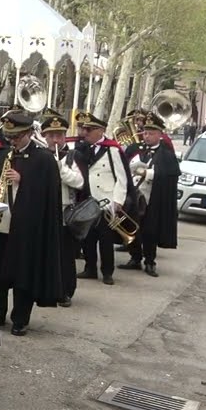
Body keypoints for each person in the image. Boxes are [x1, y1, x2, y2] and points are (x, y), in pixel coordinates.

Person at [0, 110, 64, 336]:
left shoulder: (43, 159)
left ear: (28, 132)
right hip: (2, 222)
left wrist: (23, 182)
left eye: (17, 137)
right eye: (10, 137)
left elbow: (50, 196)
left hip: (28, 226)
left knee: (22, 273)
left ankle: (20, 318)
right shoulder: (2, 154)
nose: (13, 141)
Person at [73, 112, 131, 285]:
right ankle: (90, 268)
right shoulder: (81, 148)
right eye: (85, 129)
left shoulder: (112, 149)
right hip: (87, 200)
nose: (86, 133)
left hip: (106, 201)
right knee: (88, 238)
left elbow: (122, 177)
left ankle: (107, 272)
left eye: (90, 130)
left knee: (105, 239)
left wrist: (118, 200)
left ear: (101, 131)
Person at [119, 114, 180, 278]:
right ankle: (135, 257)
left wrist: (149, 173)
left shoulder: (166, 154)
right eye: (145, 132)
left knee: (150, 231)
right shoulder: (134, 149)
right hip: (132, 196)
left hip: (153, 199)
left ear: (160, 134)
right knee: (131, 227)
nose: (147, 136)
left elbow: (171, 174)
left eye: (151, 133)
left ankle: (150, 261)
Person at [41, 113, 85, 306]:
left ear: (65, 136)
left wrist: (60, 169)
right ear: (45, 137)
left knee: (64, 255)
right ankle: (46, 289)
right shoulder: (39, 155)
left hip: (64, 211)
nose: (55, 139)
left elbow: (80, 182)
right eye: (51, 135)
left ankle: (66, 291)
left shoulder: (72, 156)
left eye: (59, 135)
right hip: (42, 210)